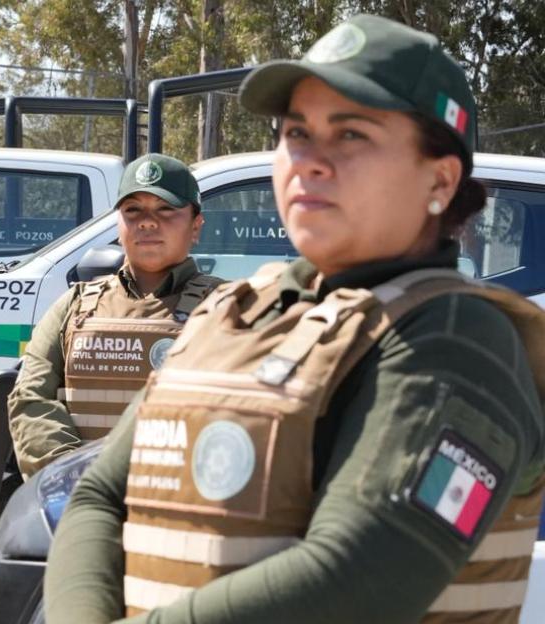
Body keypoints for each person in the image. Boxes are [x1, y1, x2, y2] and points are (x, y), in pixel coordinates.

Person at [44, 14, 545, 624]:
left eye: (352, 134)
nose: (310, 160)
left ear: (439, 178)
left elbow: (356, 580)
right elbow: (96, 494)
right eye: (297, 132)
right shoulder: (232, 310)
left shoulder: (458, 341)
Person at [8, 154, 225, 479]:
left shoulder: (229, 307)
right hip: (79, 501)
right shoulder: (76, 305)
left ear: (196, 225)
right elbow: (30, 398)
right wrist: (74, 478)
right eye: (133, 210)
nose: (148, 222)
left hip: (181, 502)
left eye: (166, 209)